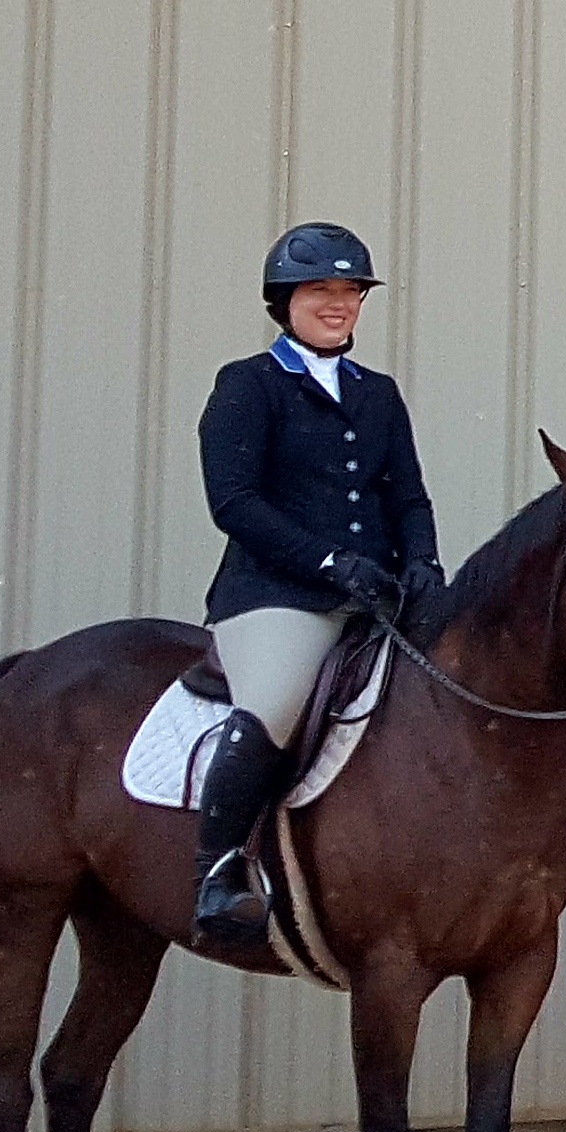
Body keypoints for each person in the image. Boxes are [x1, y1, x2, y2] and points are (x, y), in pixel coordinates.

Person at [190, 222, 439, 949]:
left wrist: (422, 561)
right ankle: (219, 869)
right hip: (275, 597)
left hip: (377, 597)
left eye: (350, 291)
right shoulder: (248, 385)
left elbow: (408, 497)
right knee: (273, 703)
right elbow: (233, 502)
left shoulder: (379, 394)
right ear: (285, 301)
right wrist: (330, 564)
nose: (338, 304)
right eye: (320, 291)